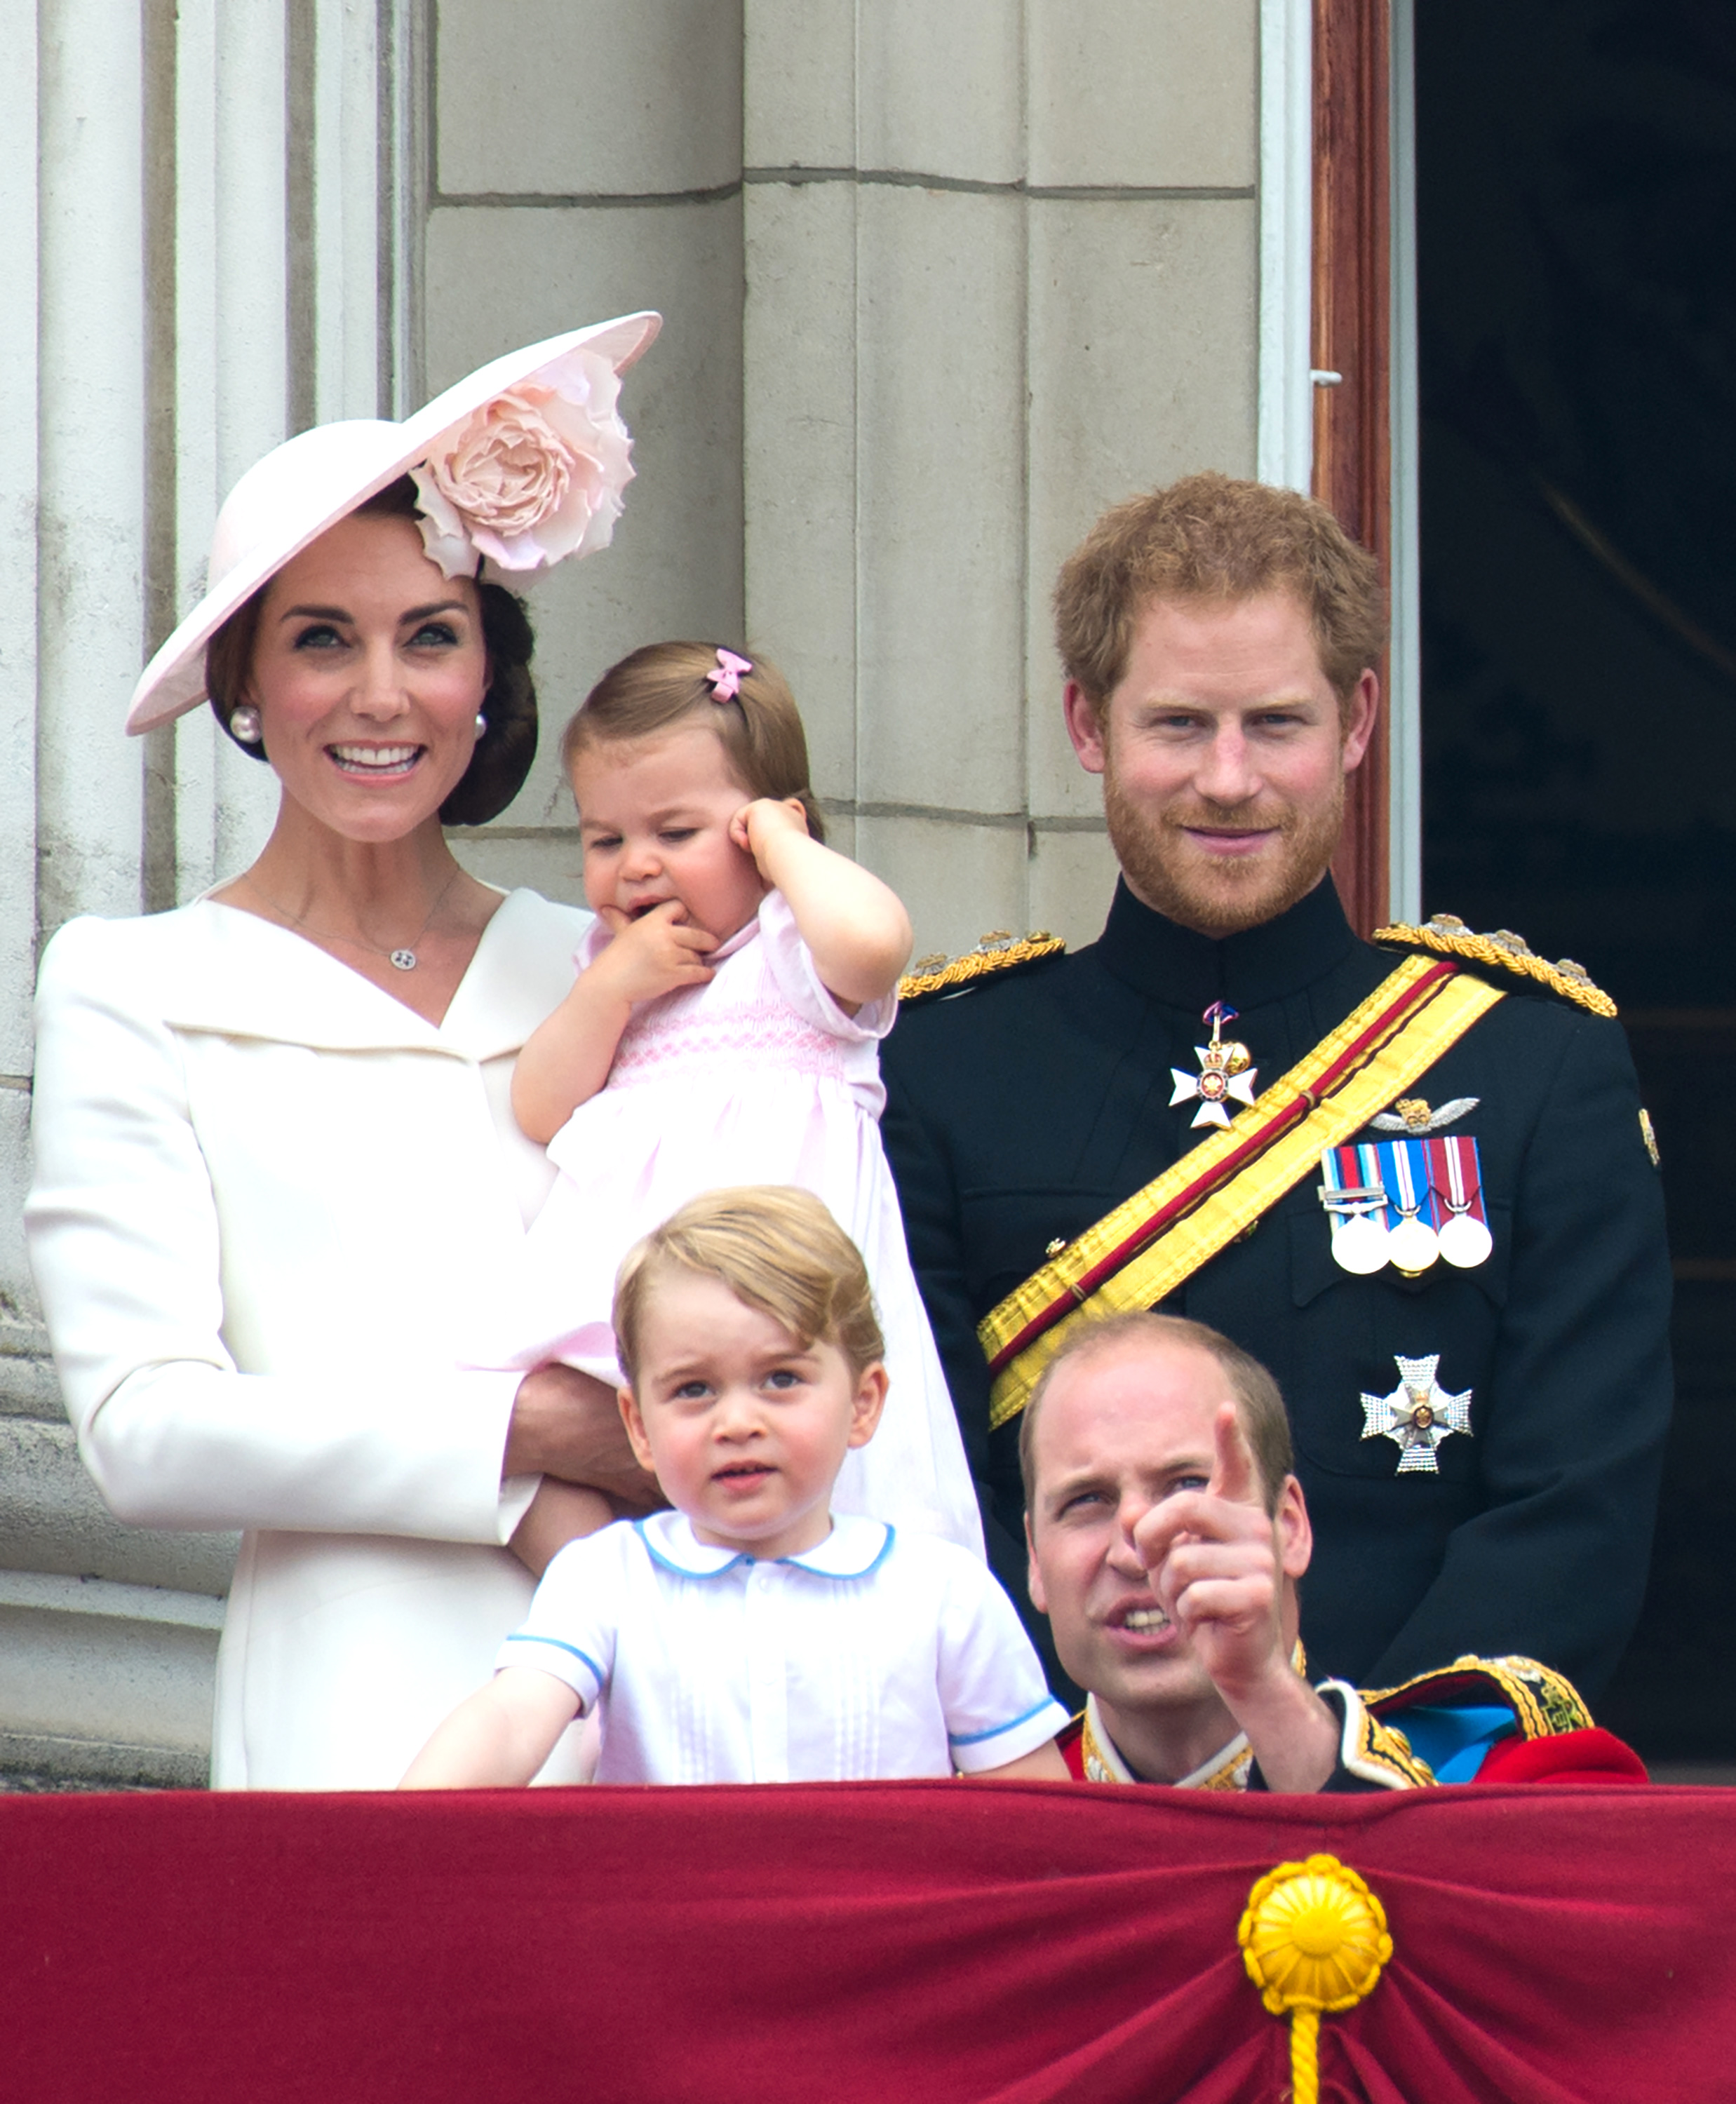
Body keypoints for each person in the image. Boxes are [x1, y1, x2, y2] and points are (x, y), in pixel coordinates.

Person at [880, 471, 1672, 1703]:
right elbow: (923, 1504)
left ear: (1357, 721)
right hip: (1059, 1807)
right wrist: (1079, 1761)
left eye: (1277, 725)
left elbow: (1575, 1513)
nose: (1231, 779)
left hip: (1421, 1825)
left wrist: (1357, 1777)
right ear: (1090, 727)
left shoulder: (1532, 1068)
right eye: (1181, 725)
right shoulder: (934, 1072)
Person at [25, 316, 675, 1790]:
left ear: (485, 678)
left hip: (660, 1685)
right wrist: (519, 1449)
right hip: (350, 1696)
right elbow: (146, 1432)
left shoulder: (612, 965)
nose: (381, 695)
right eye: (323, 639)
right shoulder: (133, 985)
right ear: (246, 689)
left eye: (427, 637)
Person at [473, 641, 981, 1571]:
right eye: (604, 838)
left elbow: (876, 945)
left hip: (779, 1310)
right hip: (636, 1321)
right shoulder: (615, 968)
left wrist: (783, 846)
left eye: (676, 834)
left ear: (759, 828)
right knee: (534, 1466)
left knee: (822, 1515)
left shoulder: (793, 952)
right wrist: (605, 994)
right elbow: (541, 1106)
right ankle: (613, 1613)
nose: (635, 868)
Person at [403, 1188, 1067, 1788]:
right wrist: (395, 1836)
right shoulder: (607, 1577)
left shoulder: (943, 1591)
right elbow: (513, 1719)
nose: (738, 1423)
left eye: (780, 1378)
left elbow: (1033, 1809)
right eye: (694, 1389)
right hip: (672, 1921)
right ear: (639, 1426)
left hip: (883, 1922)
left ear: (863, 1404)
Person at [1021, 1310, 1646, 1790]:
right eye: (1086, 1502)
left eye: (1187, 1487)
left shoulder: (1501, 1770)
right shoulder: (973, 1817)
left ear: (1289, 1526)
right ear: (1033, 1558)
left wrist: (1261, 1688)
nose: (1137, 1553)